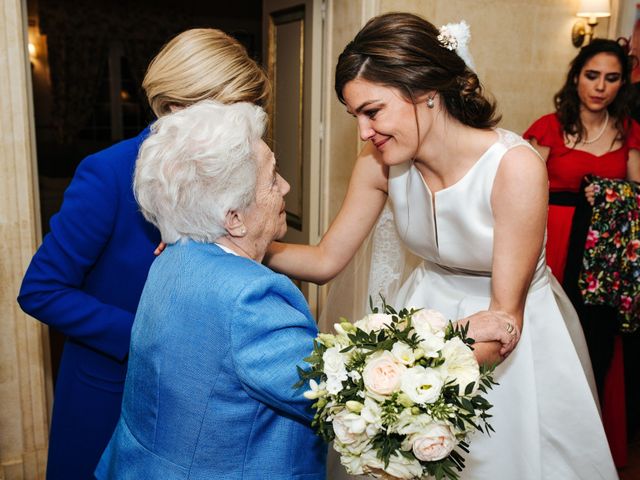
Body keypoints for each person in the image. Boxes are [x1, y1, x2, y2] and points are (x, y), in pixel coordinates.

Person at [265, 12, 617, 479]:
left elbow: (504, 320)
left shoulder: (514, 167)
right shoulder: (378, 164)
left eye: (373, 112)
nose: (365, 133)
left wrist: (403, 385)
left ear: (425, 91)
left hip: (504, 341)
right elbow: (325, 259)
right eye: (356, 117)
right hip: (423, 316)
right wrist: (229, 248)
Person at [17, 29, 269, 479]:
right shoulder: (108, 173)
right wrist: (144, 338)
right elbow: (41, 290)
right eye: (227, 113)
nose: (239, 130)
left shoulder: (239, 171)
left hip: (194, 402)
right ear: (175, 107)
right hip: (108, 396)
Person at [94, 100, 326, 479]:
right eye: (271, 178)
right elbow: (333, 397)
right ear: (233, 217)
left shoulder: (172, 257)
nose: (285, 186)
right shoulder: (253, 298)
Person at [524, 38, 640, 467]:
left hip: (603, 257)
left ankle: (584, 444)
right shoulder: (548, 127)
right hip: (550, 242)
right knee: (545, 335)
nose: (600, 86)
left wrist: (611, 193)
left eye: (612, 78)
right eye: (592, 75)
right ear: (576, 77)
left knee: (593, 345)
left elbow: (638, 195)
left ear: (621, 84)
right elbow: (522, 190)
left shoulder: (630, 132)